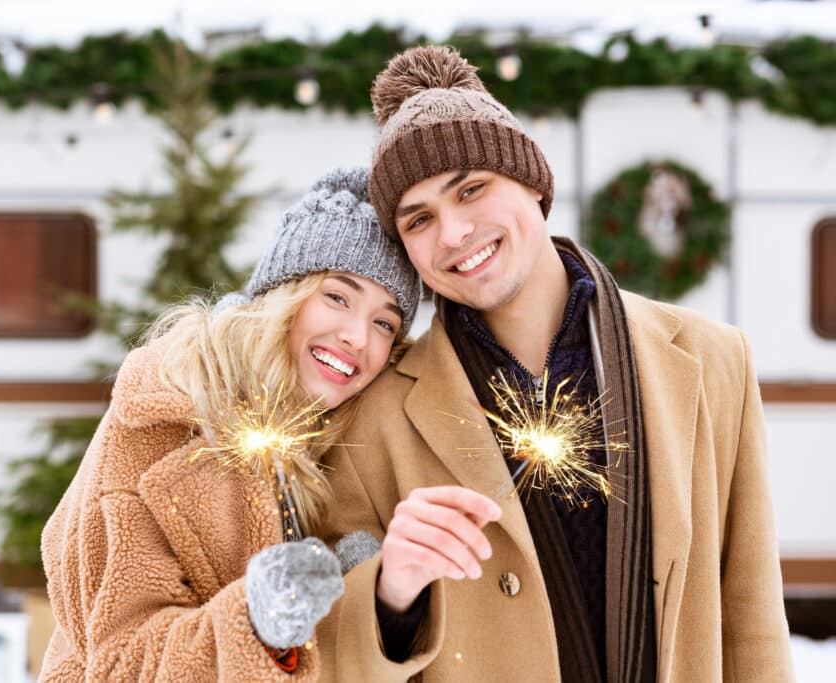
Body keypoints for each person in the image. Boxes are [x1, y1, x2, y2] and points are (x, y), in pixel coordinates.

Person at [314, 46, 794, 682]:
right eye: (420, 219)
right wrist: (390, 597)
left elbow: (752, 616)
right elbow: (331, 656)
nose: (453, 233)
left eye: (472, 189)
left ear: (534, 183)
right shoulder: (374, 414)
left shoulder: (712, 359)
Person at [36, 167, 420, 681]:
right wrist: (258, 619)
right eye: (337, 297)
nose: (357, 336)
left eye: (384, 323)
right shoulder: (166, 415)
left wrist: (365, 598)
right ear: (285, 293)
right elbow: (119, 662)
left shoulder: (338, 435)